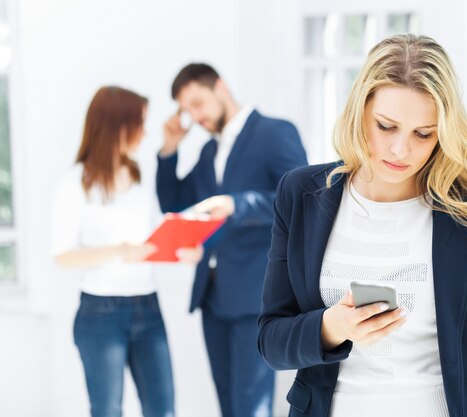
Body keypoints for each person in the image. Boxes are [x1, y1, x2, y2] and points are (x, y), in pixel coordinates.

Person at [258, 34, 467, 417]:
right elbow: (271, 340)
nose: (400, 150)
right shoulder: (301, 194)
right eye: (386, 126)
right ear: (360, 111)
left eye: (423, 134)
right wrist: (331, 326)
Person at [156, 63, 308, 417]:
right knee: (229, 408)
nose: (195, 117)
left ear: (220, 88)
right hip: (213, 298)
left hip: (255, 298)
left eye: (198, 104)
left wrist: (236, 204)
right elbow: (176, 206)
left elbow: (300, 201)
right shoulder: (209, 153)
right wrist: (168, 151)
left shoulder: (274, 132)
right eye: (187, 110)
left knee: (250, 409)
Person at [51, 86, 202, 417]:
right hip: (100, 313)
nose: (144, 133)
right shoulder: (76, 183)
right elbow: (62, 256)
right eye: (139, 123)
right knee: (108, 410)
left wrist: (180, 250)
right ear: (116, 126)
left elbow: (148, 242)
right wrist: (118, 251)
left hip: (148, 307)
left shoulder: (138, 175)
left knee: (162, 410)